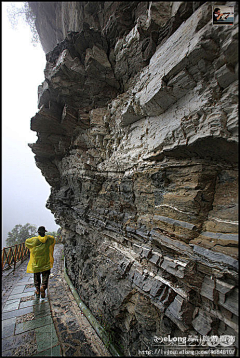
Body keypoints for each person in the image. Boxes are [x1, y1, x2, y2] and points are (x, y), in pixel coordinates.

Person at [25, 226, 55, 298]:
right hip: (45, 261)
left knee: (36, 276)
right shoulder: (48, 239)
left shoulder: (34, 240)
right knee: (46, 275)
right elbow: (53, 239)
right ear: (45, 232)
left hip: (36, 262)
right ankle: (43, 287)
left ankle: (38, 290)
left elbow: (27, 242)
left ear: (38, 233)